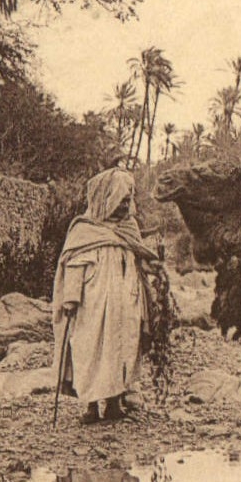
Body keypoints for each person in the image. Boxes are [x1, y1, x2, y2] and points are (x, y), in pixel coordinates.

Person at [52, 167, 160, 423]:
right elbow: (74, 265)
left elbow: (138, 259)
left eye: (128, 200)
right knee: (89, 348)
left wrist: (152, 268)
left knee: (121, 349)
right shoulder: (85, 230)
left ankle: (114, 403)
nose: (126, 206)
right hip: (93, 303)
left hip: (125, 301)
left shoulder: (129, 228)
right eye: (121, 199)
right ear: (106, 197)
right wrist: (71, 299)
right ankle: (90, 406)